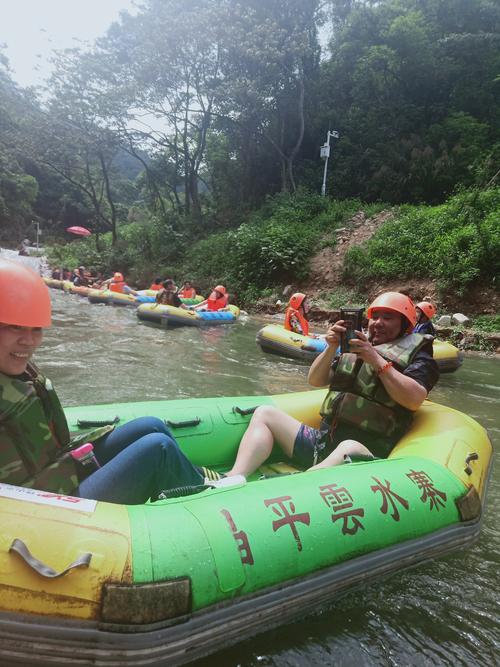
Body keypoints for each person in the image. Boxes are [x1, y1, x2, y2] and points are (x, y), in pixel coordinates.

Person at [0, 258, 212, 504]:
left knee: (150, 426)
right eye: (15, 328)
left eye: (36, 329)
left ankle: (201, 479)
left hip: (56, 474)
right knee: (158, 449)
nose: (29, 341)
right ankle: (210, 504)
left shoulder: (17, 369)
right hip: (41, 506)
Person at [224, 292, 439, 477]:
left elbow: (413, 399)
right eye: (375, 317)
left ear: (405, 324)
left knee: (348, 447)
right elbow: (315, 380)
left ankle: (295, 487)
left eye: (388, 317)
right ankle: (234, 477)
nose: (378, 323)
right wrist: (331, 347)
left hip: (365, 453)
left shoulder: (418, 356)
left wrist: (375, 359)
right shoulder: (356, 347)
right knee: (265, 414)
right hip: (323, 444)